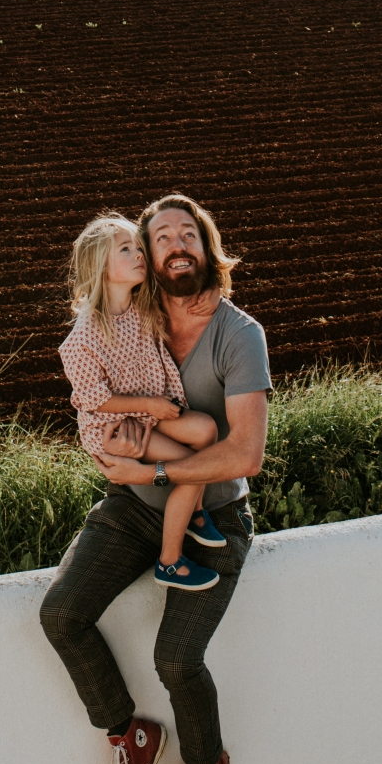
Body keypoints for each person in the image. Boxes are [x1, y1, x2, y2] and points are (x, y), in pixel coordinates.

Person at [40, 194, 271, 764]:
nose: (172, 245)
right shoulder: (140, 314)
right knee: (61, 614)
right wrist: (124, 462)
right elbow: (94, 385)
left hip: (217, 517)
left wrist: (156, 471)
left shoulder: (238, 334)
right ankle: (129, 735)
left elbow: (245, 453)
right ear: (146, 255)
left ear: (205, 246)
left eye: (186, 234)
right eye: (158, 235)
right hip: (131, 507)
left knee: (176, 660)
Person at [59, 213, 229, 592]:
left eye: (138, 247)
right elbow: (93, 400)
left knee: (206, 430)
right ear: (101, 266)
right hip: (114, 423)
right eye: (125, 249)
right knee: (190, 465)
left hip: (148, 408)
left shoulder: (141, 303)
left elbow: (185, 284)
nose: (138, 254)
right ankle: (169, 561)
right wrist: (151, 406)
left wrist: (215, 290)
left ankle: (195, 512)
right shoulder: (82, 337)